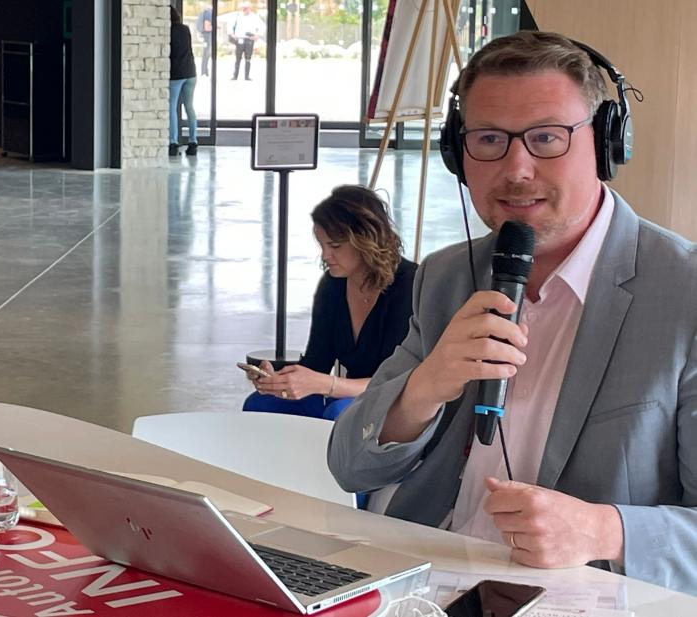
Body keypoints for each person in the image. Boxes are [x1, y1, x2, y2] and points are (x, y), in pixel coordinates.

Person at [328, 31, 697, 595]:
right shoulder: (447, 275)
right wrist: (424, 388)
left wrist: (607, 530)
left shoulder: (685, 293)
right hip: (421, 583)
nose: (516, 167)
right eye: (489, 139)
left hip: (572, 599)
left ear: (605, 144)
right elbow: (352, 465)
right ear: (459, 152)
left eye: (547, 137)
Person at [243, 185, 417, 421]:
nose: (325, 256)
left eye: (335, 246)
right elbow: (317, 364)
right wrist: (282, 380)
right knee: (261, 403)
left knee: (339, 414)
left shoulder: (409, 286)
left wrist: (329, 385)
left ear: (366, 240)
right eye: (321, 245)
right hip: (346, 397)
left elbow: (397, 381)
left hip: (399, 405)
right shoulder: (333, 285)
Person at [169, 6, 198, 157]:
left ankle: (173, 143)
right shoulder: (185, 29)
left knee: (172, 107)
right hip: (191, 72)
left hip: (176, 73)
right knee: (189, 107)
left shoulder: (168, 31)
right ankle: (193, 142)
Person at [230, 2, 264, 81]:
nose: (245, 10)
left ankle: (247, 76)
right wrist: (232, 34)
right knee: (238, 58)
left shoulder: (254, 17)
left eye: (246, 8)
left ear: (250, 8)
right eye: (244, 8)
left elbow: (262, 26)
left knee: (248, 58)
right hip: (240, 39)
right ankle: (235, 76)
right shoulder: (238, 16)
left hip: (249, 39)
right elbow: (230, 25)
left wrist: (257, 36)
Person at [195, 4, 213, 77]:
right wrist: (215, 28)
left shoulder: (202, 13)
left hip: (204, 35)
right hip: (208, 35)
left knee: (205, 53)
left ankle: (204, 70)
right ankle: (205, 71)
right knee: (207, 54)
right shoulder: (208, 14)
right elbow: (207, 26)